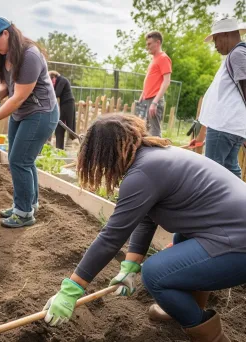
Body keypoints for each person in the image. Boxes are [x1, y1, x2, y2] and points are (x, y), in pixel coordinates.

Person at [42, 114, 246, 341]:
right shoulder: (153, 157)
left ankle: (209, 335)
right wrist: (129, 266)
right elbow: (148, 217)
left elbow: (111, 237)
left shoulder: (142, 174)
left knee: (155, 274)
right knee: (181, 241)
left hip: (238, 245)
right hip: (230, 230)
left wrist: (71, 289)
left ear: (104, 155)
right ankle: (187, 308)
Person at [0, 16, 59, 228]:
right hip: (22, 114)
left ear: (6, 33)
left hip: (40, 113)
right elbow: (7, 85)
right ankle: (29, 204)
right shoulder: (3, 54)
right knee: (20, 159)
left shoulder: (29, 55)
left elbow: (19, 96)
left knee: (19, 160)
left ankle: (24, 213)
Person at [190, 18, 246, 178]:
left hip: (224, 126)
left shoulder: (238, 54)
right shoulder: (236, 55)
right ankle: (238, 201)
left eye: (216, 39)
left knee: (211, 173)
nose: (215, 46)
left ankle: (210, 203)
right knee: (230, 169)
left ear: (226, 35)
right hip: (230, 126)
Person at [137, 31, 172, 137]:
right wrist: (143, 95)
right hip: (147, 99)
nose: (147, 47)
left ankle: (158, 153)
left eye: (149, 44)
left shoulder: (163, 58)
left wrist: (155, 102)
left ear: (157, 43)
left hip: (154, 100)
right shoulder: (154, 59)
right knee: (145, 130)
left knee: (154, 133)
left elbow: (166, 81)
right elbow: (151, 80)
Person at [49, 71, 76, 149]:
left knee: (69, 123)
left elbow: (57, 93)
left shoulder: (62, 80)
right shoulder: (58, 81)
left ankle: (69, 143)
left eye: (52, 81)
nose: (52, 84)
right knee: (59, 125)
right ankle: (59, 147)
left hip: (69, 103)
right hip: (63, 104)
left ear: (54, 77)